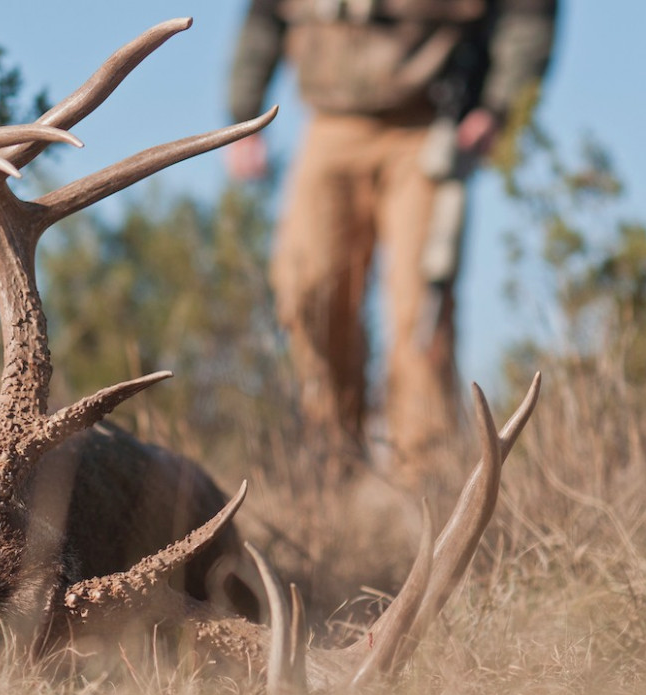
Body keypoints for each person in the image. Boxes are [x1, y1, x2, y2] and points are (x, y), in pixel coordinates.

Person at [227, 0, 558, 477]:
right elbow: (262, 17)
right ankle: (332, 464)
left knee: (421, 308)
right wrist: (244, 116)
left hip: (426, 125)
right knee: (306, 291)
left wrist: (498, 105)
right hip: (329, 123)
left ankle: (423, 482)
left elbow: (528, 13)